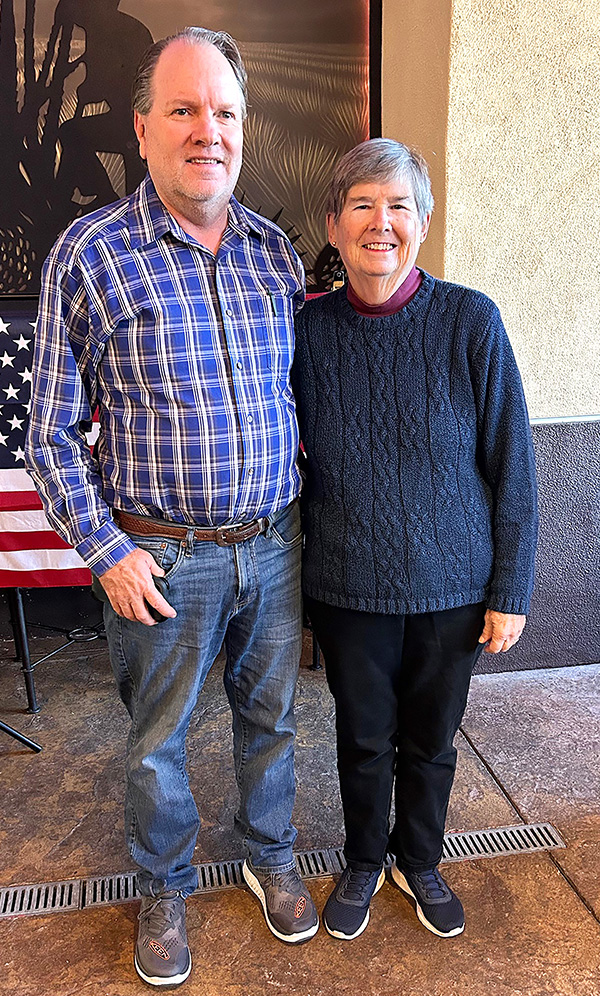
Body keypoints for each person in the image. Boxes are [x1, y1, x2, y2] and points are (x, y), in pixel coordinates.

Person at [26, 27, 318, 989]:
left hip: (272, 546)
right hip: (160, 558)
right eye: (185, 110)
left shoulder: (275, 256)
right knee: (159, 742)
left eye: (225, 112)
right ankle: (164, 885)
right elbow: (49, 431)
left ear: (245, 130)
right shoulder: (92, 255)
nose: (208, 131)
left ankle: (272, 858)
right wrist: (105, 549)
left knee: (271, 722)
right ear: (144, 129)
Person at [292, 138, 538, 942]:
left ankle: (418, 859)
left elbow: (514, 464)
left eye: (398, 205)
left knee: (430, 741)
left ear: (422, 223)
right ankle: (366, 858)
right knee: (362, 741)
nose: (380, 223)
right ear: (334, 222)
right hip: (347, 586)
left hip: (454, 588)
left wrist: (510, 592)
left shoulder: (472, 321)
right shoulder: (309, 333)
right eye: (362, 204)